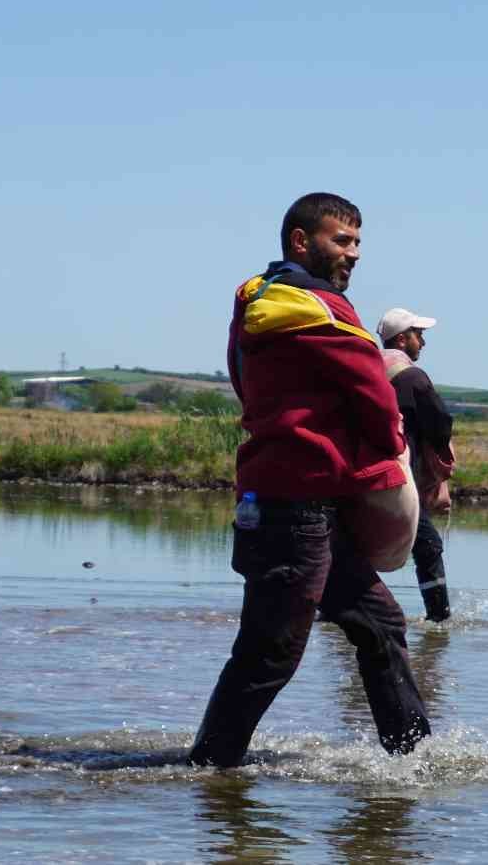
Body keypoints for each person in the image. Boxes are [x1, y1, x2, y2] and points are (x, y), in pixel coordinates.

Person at [188, 192, 430, 768]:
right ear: (302, 242)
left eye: (357, 243)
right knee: (269, 653)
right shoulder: (323, 310)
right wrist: (388, 457)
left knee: (379, 623)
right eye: (342, 241)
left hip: (283, 499)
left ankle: (414, 762)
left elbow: (245, 384)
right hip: (295, 509)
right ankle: (209, 772)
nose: (354, 254)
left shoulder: (257, 305)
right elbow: (376, 399)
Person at [376, 307, 456, 623]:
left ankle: (334, 614)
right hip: (395, 476)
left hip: (359, 474)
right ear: (402, 338)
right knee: (428, 545)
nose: (422, 342)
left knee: (356, 547)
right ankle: (440, 620)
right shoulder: (412, 376)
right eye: (419, 335)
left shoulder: (369, 369)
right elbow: (440, 424)